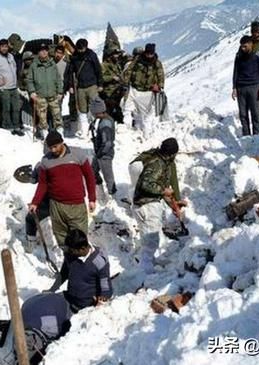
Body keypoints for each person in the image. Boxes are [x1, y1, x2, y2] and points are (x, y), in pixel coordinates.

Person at [28, 131, 96, 248]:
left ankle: (81, 262)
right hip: (56, 206)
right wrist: (35, 202)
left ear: (62, 143)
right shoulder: (46, 161)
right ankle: (68, 261)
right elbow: (43, 184)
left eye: (55, 146)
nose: (53, 150)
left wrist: (92, 198)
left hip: (76, 206)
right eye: (50, 148)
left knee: (79, 239)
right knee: (61, 238)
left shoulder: (77, 154)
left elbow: (90, 177)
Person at [132, 138, 185, 274]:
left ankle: (150, 259)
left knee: (149, 236)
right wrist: (163, 191)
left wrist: (175, 205)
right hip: (146, 204)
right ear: (172, 153)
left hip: (149, 203)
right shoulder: (157, 164)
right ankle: (146, 267)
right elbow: (146, 183)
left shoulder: (162, 162)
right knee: (151, 238)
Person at [0, 292, 72, 365]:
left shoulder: (51, 325)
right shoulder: (47, 324)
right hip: (44, 303)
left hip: (41, 304)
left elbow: (59, 337)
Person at [47, 229, 112, 312]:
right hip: (70, 298)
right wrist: (52, 289)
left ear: (83, 249)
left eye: (72, 250)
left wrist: (102, 300)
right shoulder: (70, 254)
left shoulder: (99, 261)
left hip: (86, 306)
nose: (69, 252)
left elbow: (105, 285)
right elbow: (64, 273)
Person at [123, 43, 165, 139]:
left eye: (151, 54)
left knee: (146, 116)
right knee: (128, 110)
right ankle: (128, 134)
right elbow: (129, 71)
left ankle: (146, 137)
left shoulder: (156, 63)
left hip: (148, 91)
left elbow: (160, 75)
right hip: (134, 89)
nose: (149, 55)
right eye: (148, 53)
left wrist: (159, 86)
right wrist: (126, 82)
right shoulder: (137, 60)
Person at [0, 39, 24, 136]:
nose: (4, 48)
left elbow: (14, 69)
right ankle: (8, 126)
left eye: (6, 46)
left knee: (16, 107)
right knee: (6, 108)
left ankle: (16, 126)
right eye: (2, 46)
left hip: (13, 87)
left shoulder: (11, 56)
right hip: (3, 88)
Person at [66, 39, 103, 138]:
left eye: (82, 48)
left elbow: (98, 69)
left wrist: (100, 84)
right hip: (80, 87)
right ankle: (84, 130)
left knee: (95, 107)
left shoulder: (92, 55)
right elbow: (70, 72)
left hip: (92, 85)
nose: (81, 51)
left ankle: (96, 129)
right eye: (79, 49)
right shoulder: (74, 57)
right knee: (82, 110)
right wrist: (70, 86)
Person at [26, 43, 63, 139]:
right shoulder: (34, 66)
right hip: (40, 95)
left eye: (45, 50)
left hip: (53, 94)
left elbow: (58, 79)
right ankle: (45, 135)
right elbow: (29, 80)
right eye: (41, 50)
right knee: (42, 117)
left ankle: (60, 133)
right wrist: (32, 92)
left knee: (57, 115)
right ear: (38, 52)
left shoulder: (52, 64)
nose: (44, 52)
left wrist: (60, 91)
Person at [232, 35, 259, 136]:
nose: (243, 48)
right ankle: (246, 135)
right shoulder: (238, 56)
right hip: (241, 88)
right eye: (242, 46)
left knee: (255, 113)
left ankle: (256, 136)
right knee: (243, 114)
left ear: (251, 44)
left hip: (254, 87)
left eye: (245, 46)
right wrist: (234, 87)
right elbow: (236, 72)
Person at [89, 97, 117, 195]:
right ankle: (101, 194)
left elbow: (107, 143)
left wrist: (100, 153)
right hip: (100, 153)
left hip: (105, 154)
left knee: (108, 177)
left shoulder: (105, 123)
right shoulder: (103, 120)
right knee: (92, 171)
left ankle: (113, 196)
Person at [23, 163, 51, 253]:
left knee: (30, 218)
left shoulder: (40, 165)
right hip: (66, 201)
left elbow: (33, 180)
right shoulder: (69, 162)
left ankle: (31, 245)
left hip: (48, 200)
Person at [100, 48, 126, 124]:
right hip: (109, 91)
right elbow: (101, 78)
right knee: (109, 109)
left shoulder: (117, 64)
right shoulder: (104, 65)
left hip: (118, 89)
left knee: (118, 107)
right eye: (115, 54)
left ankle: (119, 121)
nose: (117, 56)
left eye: (118, 54)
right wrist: (112, 78)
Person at [18, 51, 35, 129]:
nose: (29, 61)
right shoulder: (22, 71)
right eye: (27, 60)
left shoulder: (36, 69)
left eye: (30, 59)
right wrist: (22, 91)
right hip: (26, 93)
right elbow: (20, 82)